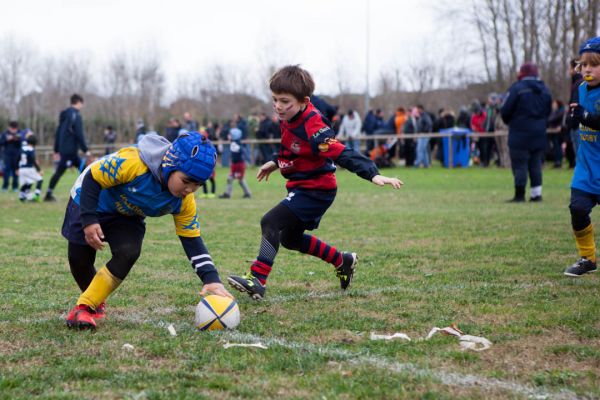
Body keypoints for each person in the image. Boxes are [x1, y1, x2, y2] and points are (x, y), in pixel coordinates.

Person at [227, 65, 403, 300]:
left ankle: (257, 279)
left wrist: (372, 173)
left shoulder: (314, 125)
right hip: (303, 186)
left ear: (304, 101)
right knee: (290, 239)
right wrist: (275, 162)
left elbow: (340, 151)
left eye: (284, 101)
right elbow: (290, 145)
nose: (278, 106)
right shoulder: (288, 116)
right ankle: (342, 260)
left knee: (270, 221)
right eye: (275, 100)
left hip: (317, 189)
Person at [62, 131, 233, 329]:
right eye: (186, 181)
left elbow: (192, 240)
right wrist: (89, 220)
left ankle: (86, 306)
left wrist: (211, 278)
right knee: (79, 259)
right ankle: (92, 298)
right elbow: (93, 177)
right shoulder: (133, 163)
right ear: (170, 165)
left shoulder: (184, 201)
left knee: (128, 252)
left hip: (127, 215)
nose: (189, 189)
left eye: (197, 185)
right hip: (90, 197)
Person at [563, 36, 600, 277]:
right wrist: (572, 119)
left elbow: (591, 118)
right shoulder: (580, 89)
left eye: (594, 64)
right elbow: (577, 118)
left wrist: (585, 116)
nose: (587, 69)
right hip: (587, 167)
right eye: (584, 64)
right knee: (577, 208)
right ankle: (588, 258)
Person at [500, 63, 552, 202]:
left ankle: (519, 194)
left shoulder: (517, 89)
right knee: (535, 164)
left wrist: (510, 121)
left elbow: (505, 109)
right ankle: (536, 194)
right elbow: (548, 111)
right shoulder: (545, 90)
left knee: (520, 164)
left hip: (519, 132)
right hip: (539, 132)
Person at [45, 94, 91, 202]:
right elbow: (79, 133)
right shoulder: (76, 115)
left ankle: (88, 193)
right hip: (69, 151)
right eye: (81, 104)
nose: (82, 106)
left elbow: (58, 132)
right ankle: (48, 194)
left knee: (84, 170)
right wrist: (85, 149)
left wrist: (56, 149)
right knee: (63, 171)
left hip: (66, 150)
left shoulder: (64, 114)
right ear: (78, 102)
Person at [218, 123, 252, 199]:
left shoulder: (236, 144)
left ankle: (248, 193)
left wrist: (247, 161)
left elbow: (241, 154)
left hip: (239, 165)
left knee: (239, 179)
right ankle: (227, 194)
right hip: (235, 164)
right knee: (231, 178)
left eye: (230, 135)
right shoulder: (234, 143)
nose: (228, 136)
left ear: (234, 135)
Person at [18, 131, 43, 202]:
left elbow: (17, 158)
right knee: (40, 180)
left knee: (28, 182)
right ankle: (36, 196)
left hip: (21, 169)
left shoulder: (22, 148)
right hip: (28, 168)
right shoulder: (31, 149)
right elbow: (33, 160)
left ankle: (22, 196)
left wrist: (16, 168)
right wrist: (39, 170)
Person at [0, 121, 23, 192]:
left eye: (15, 129)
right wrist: (7, 140)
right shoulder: (4, 133)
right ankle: (5, 187)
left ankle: (15, 187)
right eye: (12, 129)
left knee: (16, 171)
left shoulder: (20, 133)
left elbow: (22, 143)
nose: (13, 130)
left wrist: (17, 140)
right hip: (7, 155)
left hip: (17, 155)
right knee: (6, 171)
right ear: (9, 128)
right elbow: (1, 143)